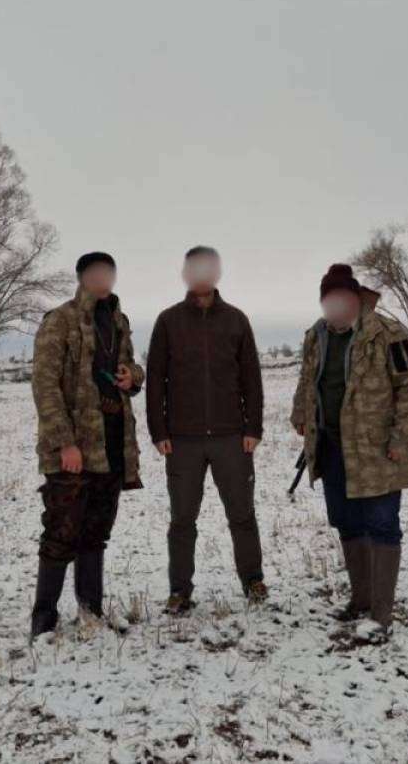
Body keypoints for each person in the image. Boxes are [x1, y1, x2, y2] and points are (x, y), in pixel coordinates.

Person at [290, 263, 408, 640]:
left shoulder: (388, 333)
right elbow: (307, 380)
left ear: (355, 298)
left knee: (382, 525)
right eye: (328, 298)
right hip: (332, 448)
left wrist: (402, 439)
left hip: (378, 451)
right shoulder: (315, 336)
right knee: (347, 523)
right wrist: (301, 414)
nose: (334, 305)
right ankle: (361, 599)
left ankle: (381, 614)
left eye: (341, 297)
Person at [29, 251, 145, 638]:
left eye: (108, 272)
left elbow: (131, 368)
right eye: (96, 273)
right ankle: (43, 618)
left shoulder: (119, 321)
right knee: (61, 531)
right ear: (81, 277)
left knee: (96, 531)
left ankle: (90, 611)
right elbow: (44, 386)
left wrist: (133, 376)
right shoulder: (60, 320)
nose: (103, 279)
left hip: (111, 444)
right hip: (74, 448)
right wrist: (65, 443)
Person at [146, 246, 267, 613]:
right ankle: (180, 590)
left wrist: (253, 426)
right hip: (183, 440)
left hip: (232, 437)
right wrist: (159, 431)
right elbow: (155, 380)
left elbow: (251, 378)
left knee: (242, 514)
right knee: (182, 519)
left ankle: (253, 581)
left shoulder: (236, 320)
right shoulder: (168, 321)